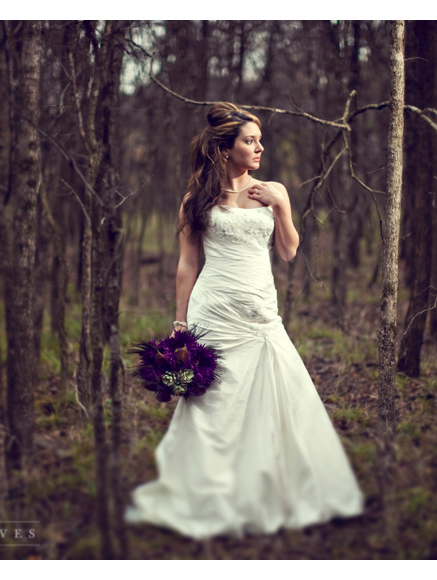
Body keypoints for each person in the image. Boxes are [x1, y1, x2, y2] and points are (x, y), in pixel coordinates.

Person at [124, 102, 364, 540]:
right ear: (224, 149)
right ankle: (207, 492)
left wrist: (281, 209)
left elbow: (289, 252)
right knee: (214, 401)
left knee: (279, 391)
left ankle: (269, 486)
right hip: (213, 309)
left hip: (259, 310)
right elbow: (186, 263)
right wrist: (180, 322)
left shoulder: (272, 190)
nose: (259, 147)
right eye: (249, 141)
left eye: (259, 140)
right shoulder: (196, 200)